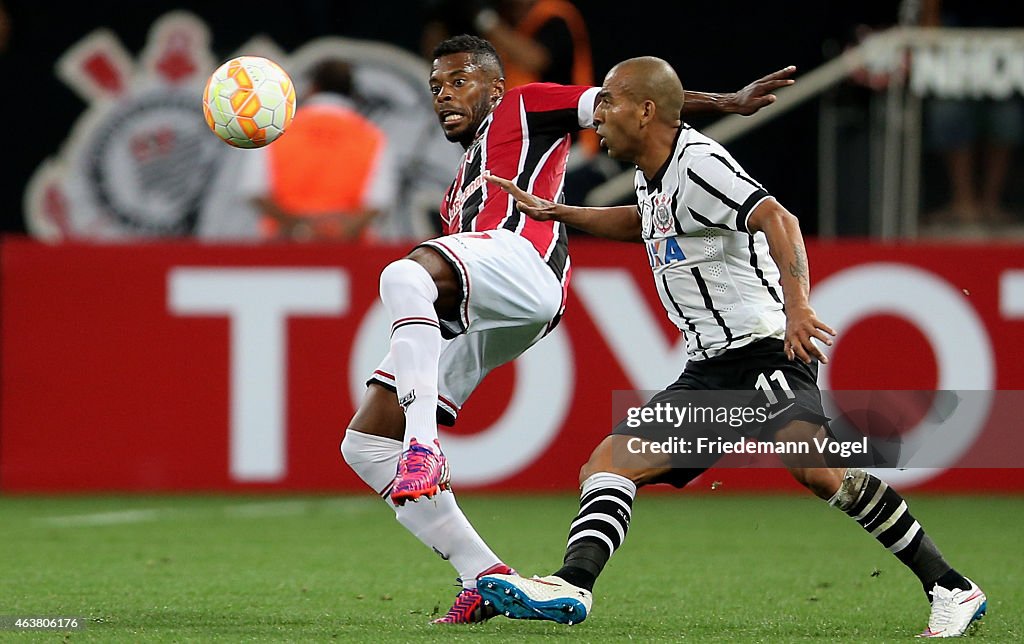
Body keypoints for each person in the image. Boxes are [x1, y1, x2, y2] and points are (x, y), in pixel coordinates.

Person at [478, 57, 987, 638]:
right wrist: (560, 212)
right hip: (712, 366)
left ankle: (951, 587)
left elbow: (779, 219)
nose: (598, 115)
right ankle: (571, 586)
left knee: (817, 469)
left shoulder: (698, 164)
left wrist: (798, 308)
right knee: (608, 464)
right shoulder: (655, 169)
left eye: (610, 102)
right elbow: (646, 221)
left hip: (761, 352)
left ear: (645, 113)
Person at [339, 35, 797, 624]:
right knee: (366, 443)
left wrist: (725, 101)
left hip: (524, 263)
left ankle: (424, 450)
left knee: (403, 277)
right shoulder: (460, 184)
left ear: (495, 86)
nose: (445, 95)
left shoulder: (522, 108)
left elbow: (625, 101)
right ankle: (482, 575)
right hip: (490, 304)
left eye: (460, 81)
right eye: (436, 87)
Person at [243, 59, 396, 242]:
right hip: (348, 253)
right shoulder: (372, 136)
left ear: (313, 88)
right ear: (352, 92)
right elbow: (378, 202)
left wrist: (298, 228)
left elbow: (254, 190)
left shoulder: (276, 130)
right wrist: (337, 234)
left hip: (282, 249)